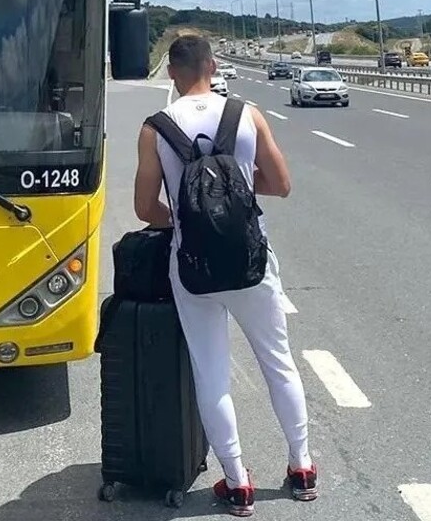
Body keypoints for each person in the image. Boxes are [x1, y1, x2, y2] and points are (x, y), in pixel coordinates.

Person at [132, 36, 317, 517]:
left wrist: (187, 217)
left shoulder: (156, 129)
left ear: (170, 72)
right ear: (213, 66)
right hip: (252, 263)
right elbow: (281, 185)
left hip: (192, 267)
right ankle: (302, 468)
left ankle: (237, 484)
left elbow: (144, 208)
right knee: (279, 362)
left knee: (211, 373)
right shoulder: (247, 114)